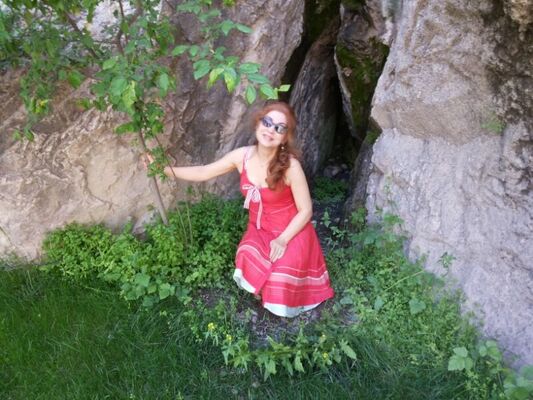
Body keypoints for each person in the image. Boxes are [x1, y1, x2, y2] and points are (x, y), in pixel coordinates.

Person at [144, 101, 334, 317]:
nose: (271, 130)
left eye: (279, 128)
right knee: (247, 254)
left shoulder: (291, 167)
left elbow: (306, 210)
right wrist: (164, 169)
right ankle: (265, 287)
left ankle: (278, 290)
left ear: (284, 138)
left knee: (281, 274)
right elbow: (203, 172)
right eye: (267, 122)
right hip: (260, 228)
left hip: (291, 230)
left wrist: (282, 240)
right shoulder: (242, 157)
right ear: (258, 123)